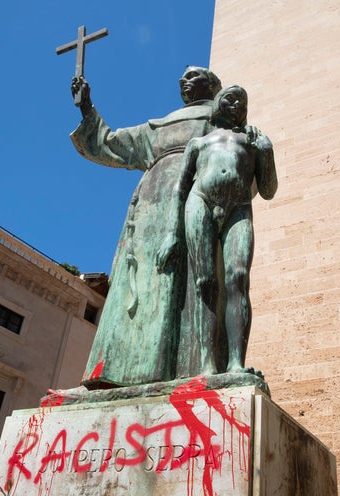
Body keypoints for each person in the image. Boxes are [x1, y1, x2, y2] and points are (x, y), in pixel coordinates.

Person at [69, 67, 222, 388]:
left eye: (192, 77)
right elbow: (111, 144)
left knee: (183, 281)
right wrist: (87, 107)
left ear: (210, 85)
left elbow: (237, 157)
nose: (184, 81)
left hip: (195, 199)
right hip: (149, 205)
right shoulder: (157, 128)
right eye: (182, 78)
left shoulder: (219, 119)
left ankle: (173, 370)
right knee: (135, 281)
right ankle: (118, 371)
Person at [156, 85, 277, 375]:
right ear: (218, 104)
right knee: (205, 282)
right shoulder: (199, 143)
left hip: (238, 207)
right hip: (200, 202)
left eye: (242, 101)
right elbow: (180, 188)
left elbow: (269, 190)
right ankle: (207, 363)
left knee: (238, 278)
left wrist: (267, 152)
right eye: (230, 98)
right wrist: (172, 234)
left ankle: (236, 362)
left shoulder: (251, 141)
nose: (236, 104)